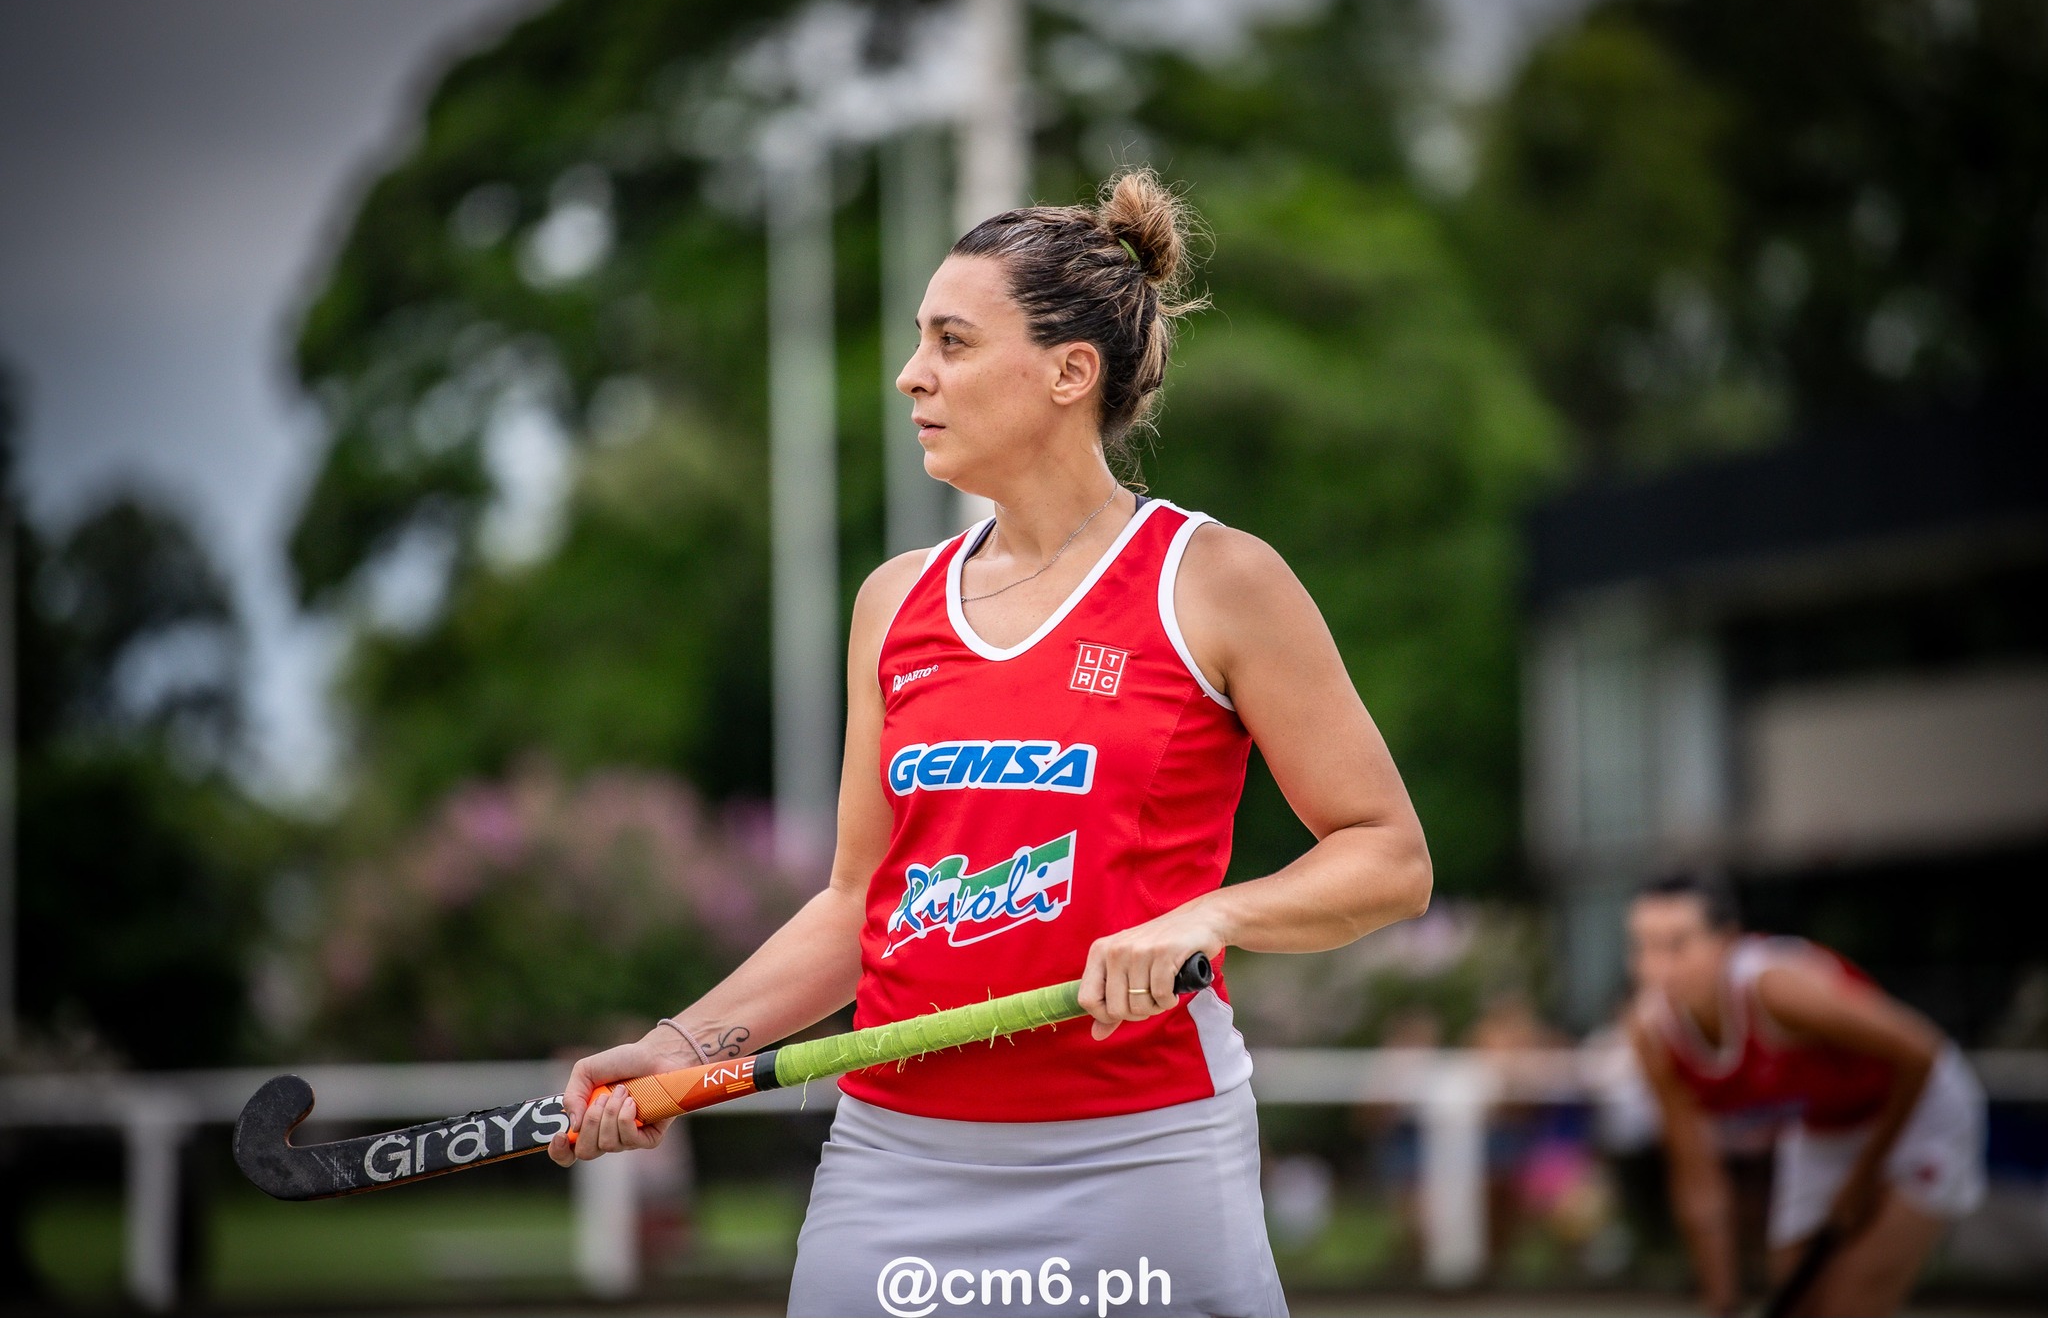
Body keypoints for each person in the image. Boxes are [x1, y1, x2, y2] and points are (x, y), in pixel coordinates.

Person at [545, 167, 1432, 1316]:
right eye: (921, 341)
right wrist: (678, 1044)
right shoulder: (894, 603)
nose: (912, 374)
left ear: (1070, 372)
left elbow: (1387, 856)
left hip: (1140, 1159)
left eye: (953, 342)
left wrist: (1207, 916)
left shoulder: (1212, 580)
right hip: (896, 1159)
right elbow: (857, 903)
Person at [1626, 874, 1985, 1317]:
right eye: (1644, 946)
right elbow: (1699, 1183)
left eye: (1677, 944)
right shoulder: (1652, 1034)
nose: (1657, 968)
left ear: (1727, 942)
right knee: (1799, 1304)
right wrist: (1723, 1306)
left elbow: (1919, 1052)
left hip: (1923, 1110)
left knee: (1847, 1308)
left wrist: (1863, 1178)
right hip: (1826, 1127)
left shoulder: (1775, 990)